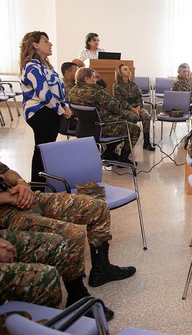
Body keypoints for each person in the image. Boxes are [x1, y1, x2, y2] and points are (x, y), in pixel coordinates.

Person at [0, 161, 136, 290]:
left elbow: (6, 171)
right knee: (73, 234)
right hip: (5, 213)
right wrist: (7, 197)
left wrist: (21, 183)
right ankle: (77, 293)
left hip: (23, 199)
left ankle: (102, 269)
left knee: (98, 207)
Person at [19, 31, 72, 185]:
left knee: (45, 150)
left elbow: (60, 89)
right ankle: (37, 187)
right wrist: (61, 110)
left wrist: (66, 105)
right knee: (42, 151)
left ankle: (42, 186)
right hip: (40, 112)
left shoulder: (46, 66)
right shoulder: (31, 66)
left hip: (51, 111)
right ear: (35, 45)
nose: (50, 44)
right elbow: (43, 93)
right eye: (45, 41)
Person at [68, 67, 141, 164]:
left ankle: (108, 153)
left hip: (83, 128)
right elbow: (117, 108)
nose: (96, 80)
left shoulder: (72, 92)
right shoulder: (97, 92)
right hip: (103, 127)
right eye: (94, 77)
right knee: (135, 129)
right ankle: (123, 158)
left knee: (125, 122)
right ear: (86, 79)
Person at [113, 64, 155, 151]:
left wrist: (138, 107)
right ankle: (127, 142)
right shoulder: (116, 86)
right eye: (125, 69)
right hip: (125, 109)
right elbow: (120, 101)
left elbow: (139, 97)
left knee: (146, 116)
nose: (128, 71)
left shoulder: (133, 84)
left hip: (137, 107)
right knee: (133, 117)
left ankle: (146, 142)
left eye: (129, 69)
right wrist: (132, 109)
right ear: (120, 73)